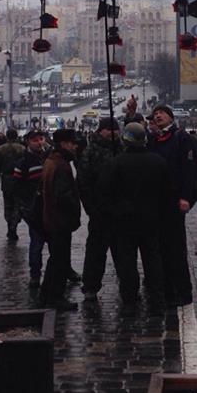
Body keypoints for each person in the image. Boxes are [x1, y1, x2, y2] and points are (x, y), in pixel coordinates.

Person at [107, 122, 169, 313]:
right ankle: (158, 300)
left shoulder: (116, 162)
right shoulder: (158, 162)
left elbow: (105, 191)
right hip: (151, 218)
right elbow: (167, 192)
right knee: (153, 260)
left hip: (124, 220)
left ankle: (130, 302)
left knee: (127, 262)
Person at [148, 104, 196, 307]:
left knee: (175, 247)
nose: (157, 116)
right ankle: (167, 290)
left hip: (174, 201)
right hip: (156, 201)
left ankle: (183, 291)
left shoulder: (182, 138)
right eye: (155, 114)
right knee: (160, 248)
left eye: (161, 113)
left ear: (170, 117)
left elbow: (188, 169)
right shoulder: (153, 139)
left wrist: (186, 196)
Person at [39, 129, 82, 311]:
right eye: (72, 143)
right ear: (64, 144)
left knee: (55, 258)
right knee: (60, 260)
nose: (75, 146)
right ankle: (55, 297)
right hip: (59, 220)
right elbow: (63, 196)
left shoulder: (52, 160)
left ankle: (45, 294)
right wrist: (74, 207)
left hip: (51, 218)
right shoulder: (61, 165)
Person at [76, 117, 119, 302]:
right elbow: (83, 183)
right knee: (95, 252)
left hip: (120, 211)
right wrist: (91, 208)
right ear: (100, 131)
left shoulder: (122, 148)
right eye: (108, 129)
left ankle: (128, 286)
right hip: (99, 211)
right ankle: (91, 287)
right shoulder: (90, 151)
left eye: (115, 129)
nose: (112, 132)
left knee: (123, 252)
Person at [13, 130, 49, 289]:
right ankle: (35, 275)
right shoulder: (23, 162)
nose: (39, 142)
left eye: (41, 139)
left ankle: (64, 269)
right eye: (35, 140)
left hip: (51, 207)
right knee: (37, 244)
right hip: (34, 210)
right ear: (28, 142)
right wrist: (25, 206)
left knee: (58, 244)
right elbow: (17, 186)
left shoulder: (50, 158)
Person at [0, 128, 26, 240]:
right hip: (20, 179)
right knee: (18, 204)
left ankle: (9, 224)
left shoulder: (1, 149)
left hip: (6, 179)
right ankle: (14, 226)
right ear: (16, 136)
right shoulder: (22, 149)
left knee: (8, 204)